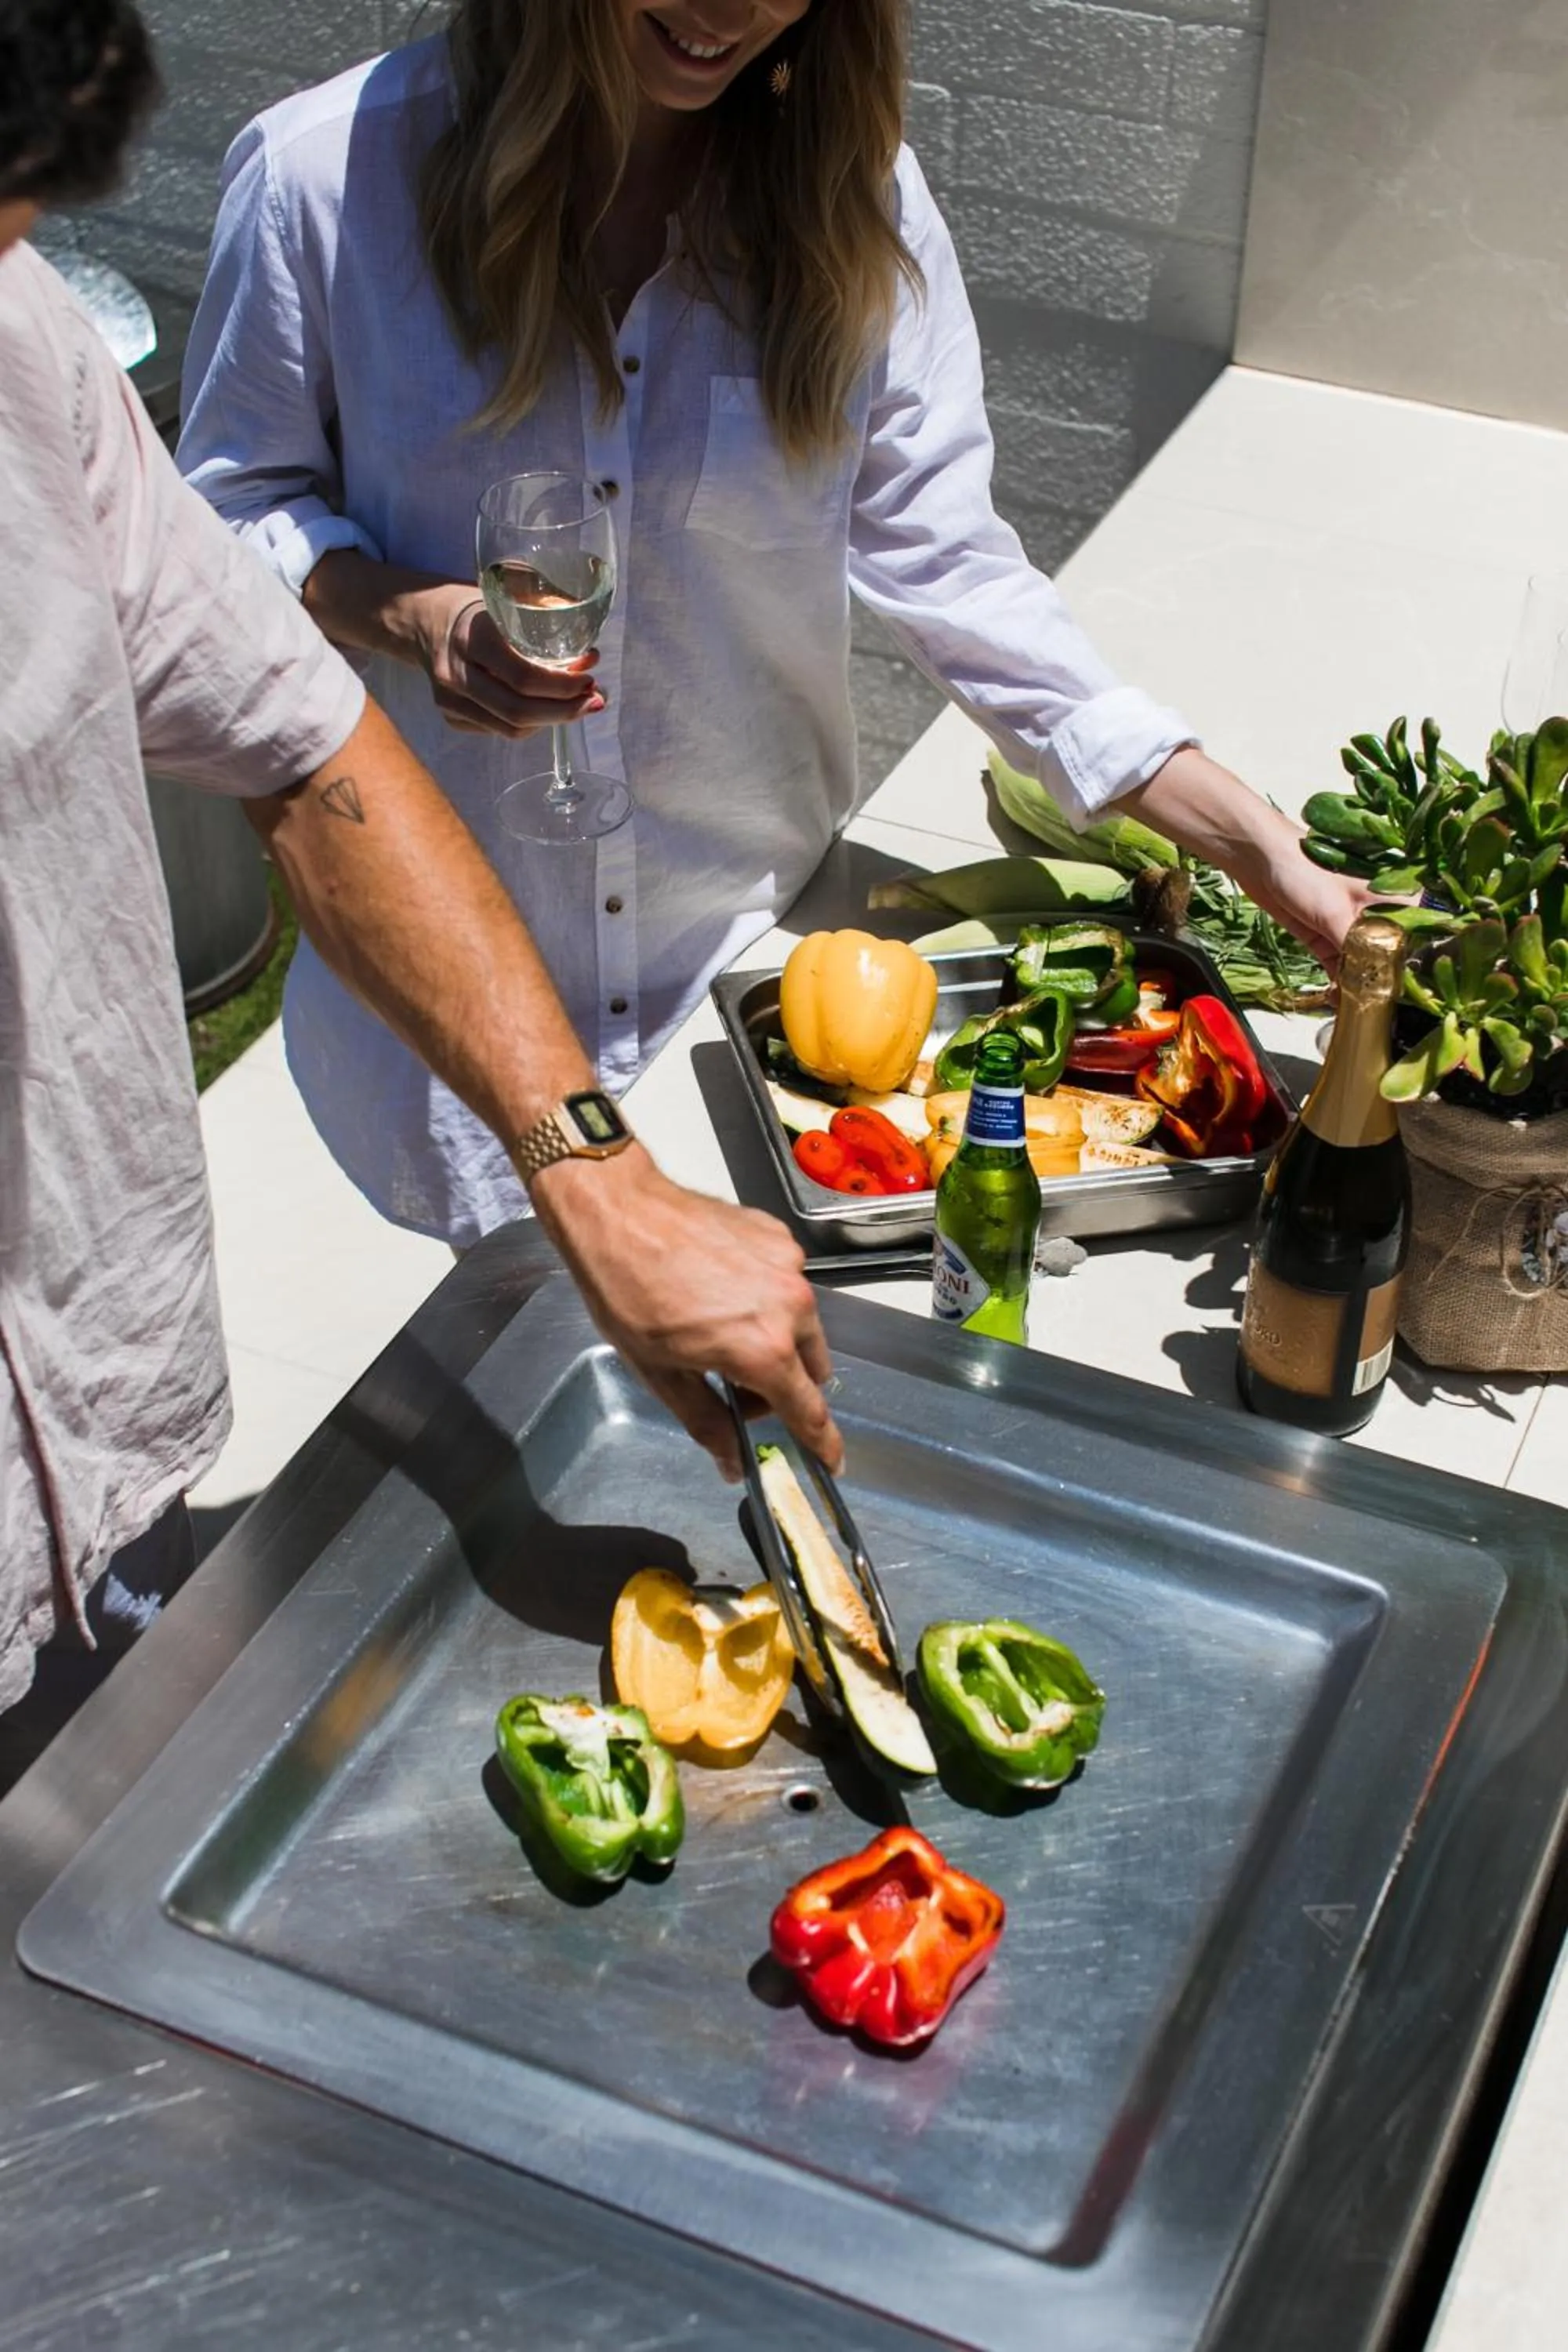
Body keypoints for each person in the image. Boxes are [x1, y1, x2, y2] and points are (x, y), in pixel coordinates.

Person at [178, 0, 1363, 1254]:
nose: (732, 11)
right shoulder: (323, 179)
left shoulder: (854, 200)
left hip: (748, 996)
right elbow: (225, 516)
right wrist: (407, 614)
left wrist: (1257, 845)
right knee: (507, 1351)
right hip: (445, 1011)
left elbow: (955, 569)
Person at [0, 0, 841, 1726]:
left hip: (98, 1453)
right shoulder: (326, 170)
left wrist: (594, 1176)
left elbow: (299, 745)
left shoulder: (24, 345)